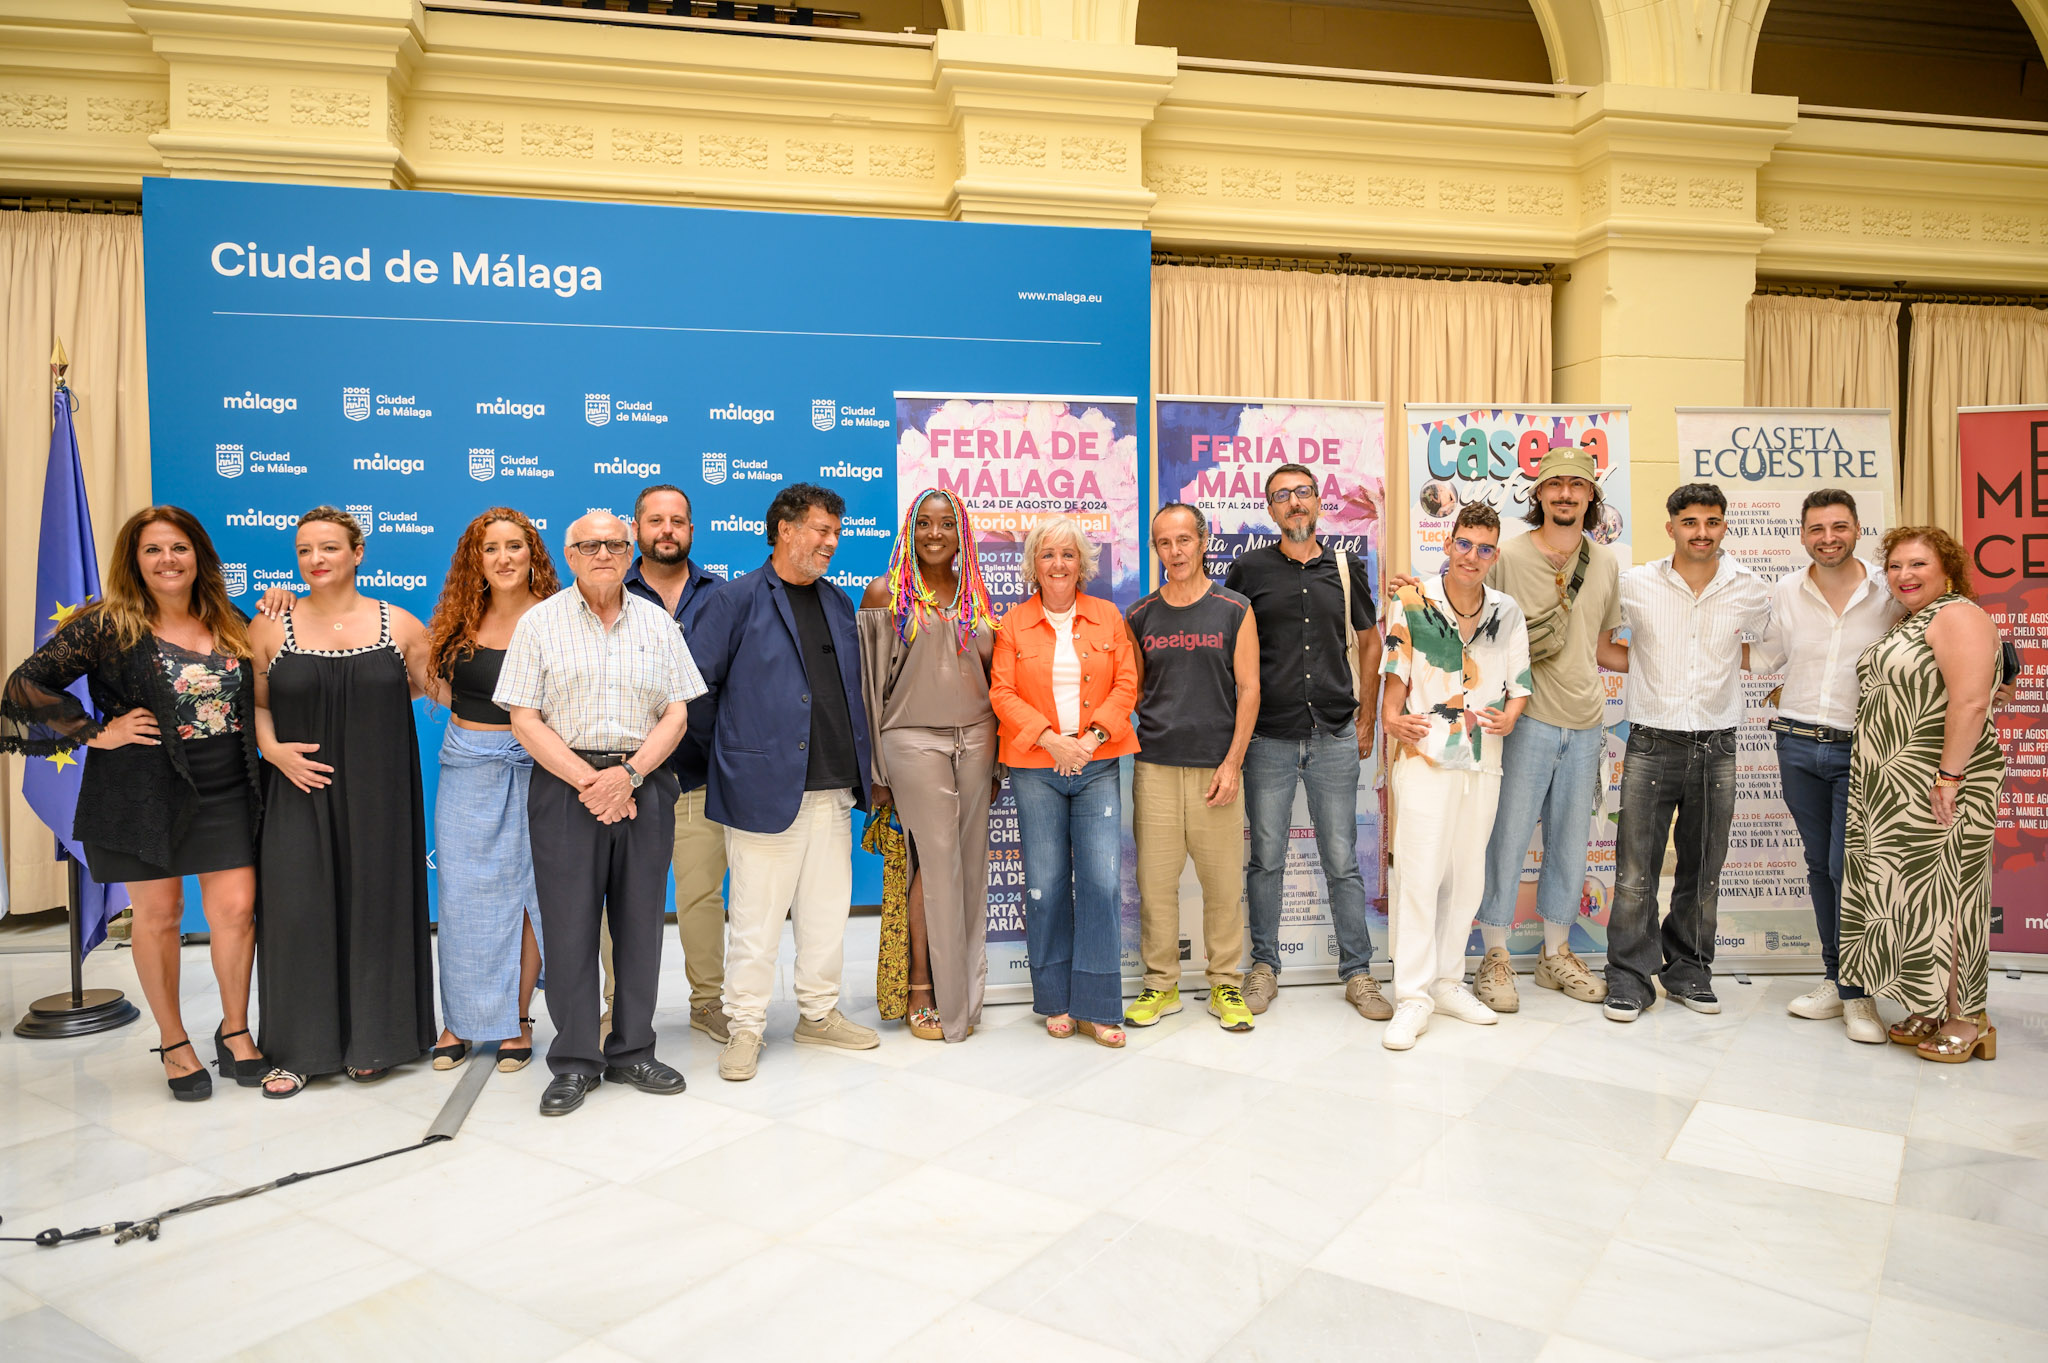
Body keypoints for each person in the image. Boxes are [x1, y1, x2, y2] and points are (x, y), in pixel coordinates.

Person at [1, 507, 265, 1100]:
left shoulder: (229, 620)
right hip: (142, 792)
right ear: (135, 560)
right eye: (153, 550)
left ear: (199, 555)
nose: (168, 560)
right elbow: (25, 683)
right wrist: (98, 732)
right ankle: (174, 1043)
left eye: (179, 548)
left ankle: (235, 1029)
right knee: (159, 916)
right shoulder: (109, 624)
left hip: (226, 788)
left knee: (236, 912)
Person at [497, 511, 703, 1115]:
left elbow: (677, 713)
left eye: (615, 543)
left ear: (629, 547)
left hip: (645, 781)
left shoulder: (659, 624)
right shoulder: (539, 623)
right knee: (569, 928)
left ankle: (633, 1049)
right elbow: (523, 717)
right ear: (569, 553)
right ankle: (575, 1060)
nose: (604, 554)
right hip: (568, 786)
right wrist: (591, 781)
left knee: (641, 923)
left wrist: (630, 775)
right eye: (590, 545)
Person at [689, 483, 880, 1082]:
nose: (831, 543)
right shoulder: (735, 600)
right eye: (821, 531)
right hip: (762, 793)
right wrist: (736, 761)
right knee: (756, 921)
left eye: (836, 533)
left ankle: (818, 1015)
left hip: (832, 789)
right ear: (784, 530)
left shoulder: (839, 602)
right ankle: (744, 1026)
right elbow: (695, 697)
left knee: (826, 915)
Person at [249, 507, 436, 1097]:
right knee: (297, 911)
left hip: (381, 791)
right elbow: (255, 703)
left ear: (358, 553)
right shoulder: (269, 627)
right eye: (304, 550)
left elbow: (426, 686)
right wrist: (274, 751)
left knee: (376, 907)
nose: (315, 560)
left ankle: (376, 1040)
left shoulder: (400, 624)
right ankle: (297, 1049)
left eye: (329, 547)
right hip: (298, 789)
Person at [1223, 463, 1388, 1021]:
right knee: (1265, 858)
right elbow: (1231, 652)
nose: (1293, 503)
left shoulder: (1345, 567)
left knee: (1341, 859)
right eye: (1281, 497)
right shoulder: (1246, 570)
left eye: (1302, 493)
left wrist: (1365, 716)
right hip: (1268, 736)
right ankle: (1264, 965)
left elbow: (1370, 642)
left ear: (1318, 502)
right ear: (1269, 510)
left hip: (1335, 734)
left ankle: (1359, 974)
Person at [1600, 483, 1770, 1022]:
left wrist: (1724, 661)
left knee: (1703, 868)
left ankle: (1690, 971)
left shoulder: (1748, 587)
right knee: (1634, 870)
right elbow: (1603, 645)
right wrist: (1651, 667)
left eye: (1712, 521)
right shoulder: (1635, 584)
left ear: (1724, 525)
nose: (1702, 532)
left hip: (1718, 745)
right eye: (1690, 521)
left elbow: (1769, 649)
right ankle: (1629, 977)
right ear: (1670, 526)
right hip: (1652, 741)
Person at [1841, 528, 2007, 1064]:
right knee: (1916, 900)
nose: (1904, 575)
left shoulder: (1958, 615)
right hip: (1896, 788)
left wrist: (1950, 778)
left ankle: (1969, 1018)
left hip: (1944, 784)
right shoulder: (1914, 621)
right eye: (1894, 566)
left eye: (1917, 564)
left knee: (1952, 895)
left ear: (1948, 569)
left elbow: (1971, 702)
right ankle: (1934, 1006)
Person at [1748, 490, 1902, 1045]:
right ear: (1803, 533)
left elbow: (1938, 638)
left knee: (1848, 868)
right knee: (1819, 864)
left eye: (1839, 526)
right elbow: (1766, 657)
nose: (1828, 537)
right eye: (1817, 528)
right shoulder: (1786, 590)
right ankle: (1837, 980)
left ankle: (1861, 994)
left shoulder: (1890, 589)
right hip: (1795, 743)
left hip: (1864, 749)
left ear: (1859, 528)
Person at [1474, 448, 1622, 1012]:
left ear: (1590, 495)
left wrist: (1670, 665)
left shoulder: (1604, 563)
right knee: (1507, 840)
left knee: (1570, 845)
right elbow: (1478, 629)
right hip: (1525, 720)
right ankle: (1495, 955)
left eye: (1576, 486)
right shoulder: (1508, 556)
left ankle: (1555, 955)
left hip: (1586, 724)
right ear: (1537, 494)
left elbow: (1603, 644)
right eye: (1554, 485)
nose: (1565, 494)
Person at [1378, 503, 1531, 1050]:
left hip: (1484, 760)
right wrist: (1393, 722)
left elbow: (1520, 685)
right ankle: (1413, 995)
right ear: (1448, 543)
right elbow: (1392, 684)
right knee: (1419, 877)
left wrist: (1511, 715)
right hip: (1426, 759)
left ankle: (1447, 981)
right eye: (1464, 544)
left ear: (1495, 554)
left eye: (1485, 548)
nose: (1473, 556)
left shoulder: (1507, 611)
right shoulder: (1412, 599)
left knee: (1467, 876)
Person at [990, 514, 1139, 1046]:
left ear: (1083, 565)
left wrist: (1091, 741)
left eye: (1068, 554)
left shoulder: (1107, 616)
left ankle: (1099, 1006)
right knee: (1046, 886)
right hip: (1037, 767)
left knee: (1100, 883)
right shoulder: (1012, 624)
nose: (1058, 564)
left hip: (1097, 764)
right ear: (1033, 564)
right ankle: (1053, 999)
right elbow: (1001, 693)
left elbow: (1127, 684)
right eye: (1048, 554)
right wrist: (1051, 740)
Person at [859, 488, 1000, 1043]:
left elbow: (996, 680)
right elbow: (869, 690)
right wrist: (876, 772)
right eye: (925, 524)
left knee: (968, 866)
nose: (935, 534)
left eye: (946, 524)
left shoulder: (978, 599)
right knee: (935, 865)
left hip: (978, 740)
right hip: (912, 743)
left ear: (961, 529)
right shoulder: (884, 594)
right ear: (910, 531)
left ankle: (959, 991)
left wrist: (995, 767)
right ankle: (921, 986)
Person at [425, 508, 559, 1074]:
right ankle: (459, 1020)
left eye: (514, 546)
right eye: (490, 549)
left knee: (527, 899)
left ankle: (517, 1019)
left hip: (537, 770)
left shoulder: (557, 617)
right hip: (466, 771)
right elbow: (417, 671)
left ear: (533, 554)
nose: (503, 558)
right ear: (474, 561)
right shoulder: (458, 620)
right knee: (462, 900)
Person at [599, 484, 731, 1044]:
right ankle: (616, 1008)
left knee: (701, 899)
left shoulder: (722, 596)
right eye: (655, 521)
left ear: (692, 530)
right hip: (628, 782)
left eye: (678, 521)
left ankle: (707, 1003)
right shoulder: (604, 594)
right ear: (636, 530)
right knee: (621, 905)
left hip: (700, 775)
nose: (667, 530)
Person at [1122, 503, 1260, 1033]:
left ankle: (1225, 980)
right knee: (1156, 886)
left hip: (1215, 770)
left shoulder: (1234, 608)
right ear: (1154, 549)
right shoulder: (1139, 615)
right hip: (1154, 767)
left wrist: (1232, 763)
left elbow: (1250, 689)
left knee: (1223, 885)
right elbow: (1131, 692)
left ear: (1203, 542)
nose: (1174, 552)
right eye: (1163, 543)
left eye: (1184, 540)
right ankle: (1161, 985)